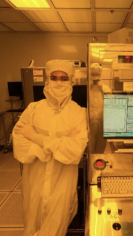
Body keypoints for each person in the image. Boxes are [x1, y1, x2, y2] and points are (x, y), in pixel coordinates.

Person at [12, 60, 88, 236]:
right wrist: (53, 147)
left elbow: (75, 149)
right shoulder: (33, 109)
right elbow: (20, 141)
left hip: (63, 179)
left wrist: (37, 137)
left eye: (64, 78)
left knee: (57, 223)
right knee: (31, 219)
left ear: (71, 82)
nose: (59, 82)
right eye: (54, 78)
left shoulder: (79, 113)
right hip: (34, 178)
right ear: (47, 80)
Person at [89, 63, 111, 154]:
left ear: (100, 75)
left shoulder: (105, 88)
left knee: (100, 145)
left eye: (97, 75)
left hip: (103, 121)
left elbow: (111, 102)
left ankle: (98, 160)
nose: (95, 77)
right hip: (89, 122)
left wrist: (101, 88)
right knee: (90, 144)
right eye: (93, 75)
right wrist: (89, 87)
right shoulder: (87, 88)